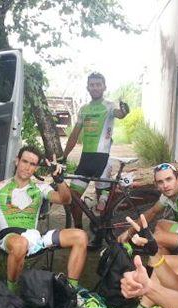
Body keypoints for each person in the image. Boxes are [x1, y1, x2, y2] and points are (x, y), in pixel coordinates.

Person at [0, 146, 91, 300]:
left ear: (36, 167)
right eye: (24, 161)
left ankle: (71, 293)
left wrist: (59, 180)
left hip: (34, 238)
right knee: (20, 243)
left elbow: (65, 199)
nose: (27, 167)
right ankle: (12, 295)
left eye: (32, 164)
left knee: (80, 236)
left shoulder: (40, 188)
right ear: (17, 161)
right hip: (8, 237)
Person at [63, 72, 129, 246]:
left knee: (102, 203)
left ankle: (100, 236)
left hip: (103, 160)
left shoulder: (109, 106)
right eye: (92, 84)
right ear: (88, 87)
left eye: (98, 84)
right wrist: (64, 156)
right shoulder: (84, 110)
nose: (95, 87)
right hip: (86, 160)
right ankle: (79, 234)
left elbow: (120, 114)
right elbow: (74, 135)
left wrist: (124, 110)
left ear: (104, 87)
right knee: (73, 199)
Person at [117, 163, 178, 255]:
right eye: (160, 182)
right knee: (160, 224)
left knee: (158, 238)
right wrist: (129, 232)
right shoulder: (166, 196)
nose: (165, 185)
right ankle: (165, 257)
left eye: (169, 179)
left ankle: (170, 256)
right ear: (156, 185)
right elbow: (152, 212)